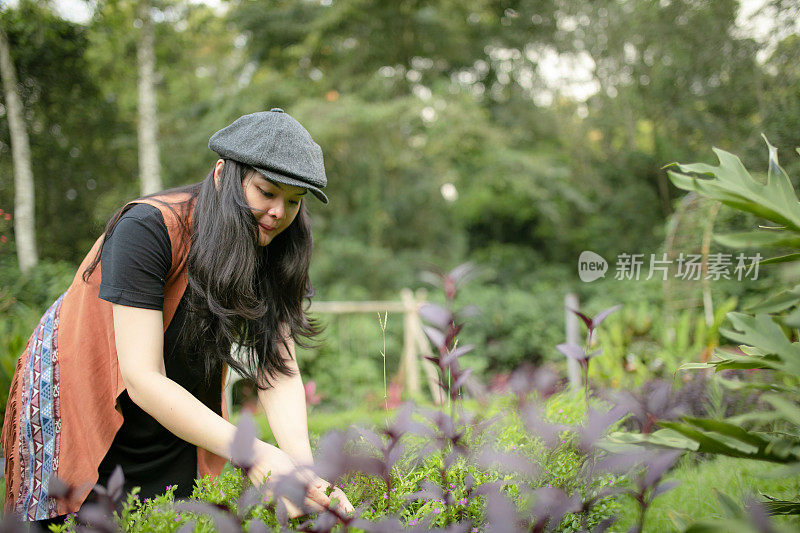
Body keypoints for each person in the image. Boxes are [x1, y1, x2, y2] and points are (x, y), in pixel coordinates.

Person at [2, 109, 354, 524]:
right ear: (223, 173)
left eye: (294, 201)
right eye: (266, 192)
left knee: (172, 511)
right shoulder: (148, 227)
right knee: (79, 513)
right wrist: (253, 451)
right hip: (83, 386)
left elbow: (277, 365)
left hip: (175, 394)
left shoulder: (277, 243)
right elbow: (142, 377)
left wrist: (302, 472)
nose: (278, 212)